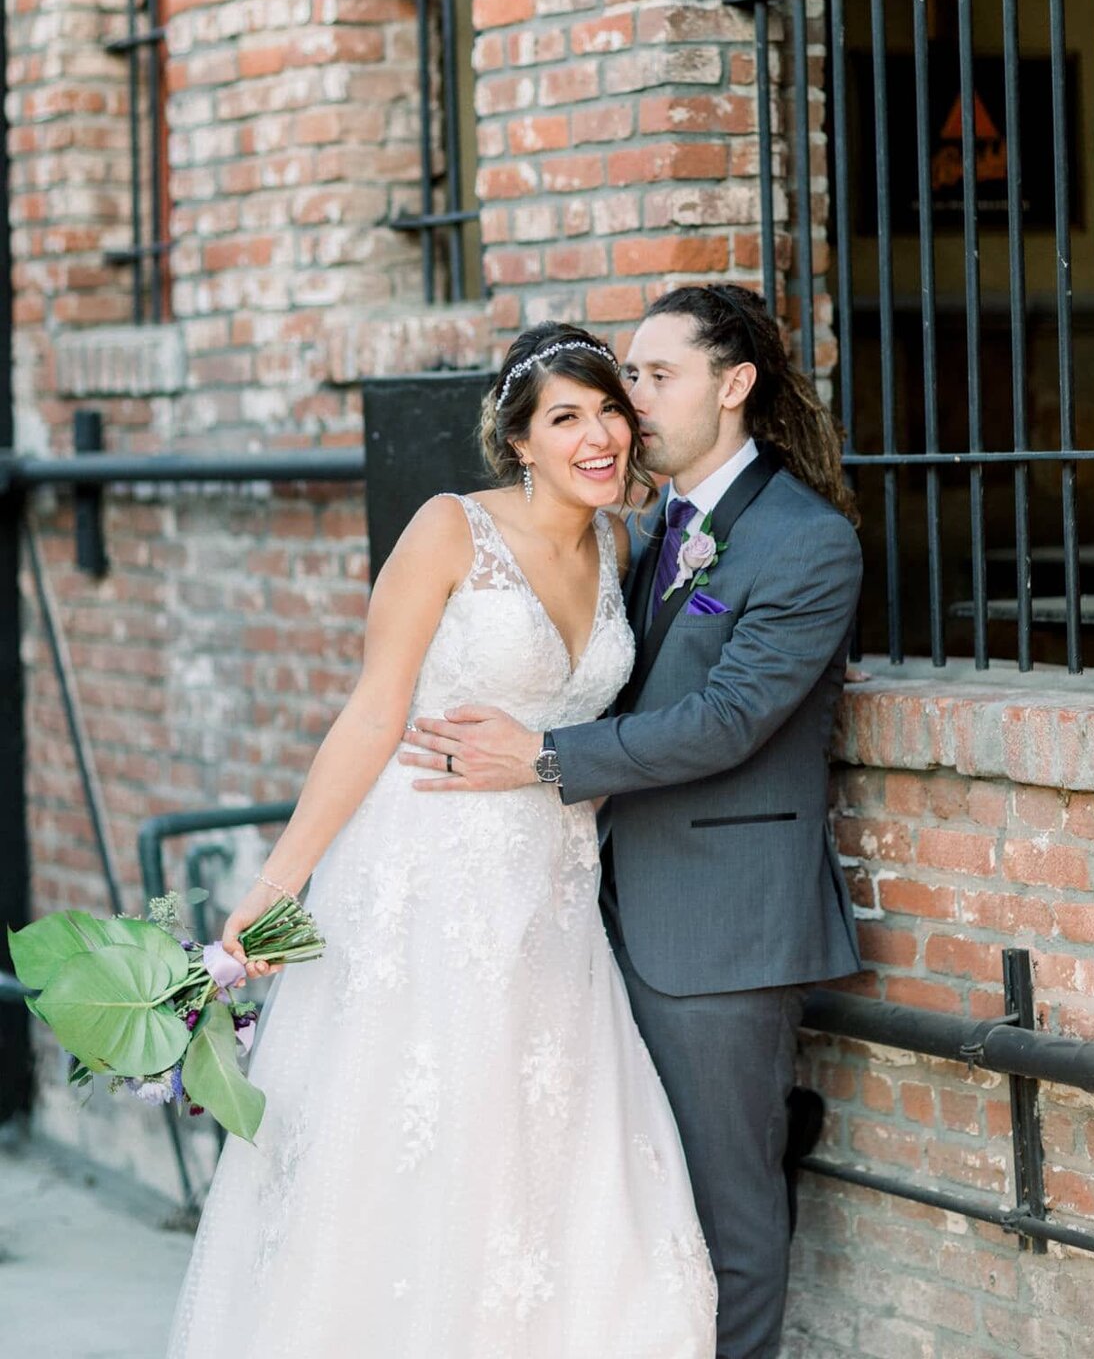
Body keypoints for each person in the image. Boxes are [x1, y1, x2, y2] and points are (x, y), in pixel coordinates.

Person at [166, 323, 717, 1359]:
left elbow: (604, 723)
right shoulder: (449, 530)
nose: (597, 436)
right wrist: (275, 894)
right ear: (518, 440)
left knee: (544, 1137)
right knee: (426, 1133)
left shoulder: (624, 541)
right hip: (425, 878)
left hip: (553, 891)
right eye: (565, 418)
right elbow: (373, 717)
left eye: (608, 410)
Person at [401, 284, 864, 1359]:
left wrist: (546, 757)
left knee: (729, 1211)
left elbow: (732, 717)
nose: (631, 401)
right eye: (629, 377)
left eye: (657, 377)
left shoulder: (806, 540)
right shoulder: (650, 528)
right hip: (597, 907)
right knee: (633, 1204)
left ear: (734, 385)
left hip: (720, 927)